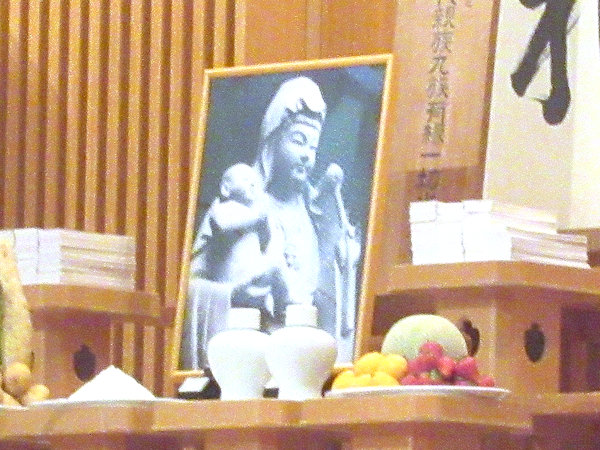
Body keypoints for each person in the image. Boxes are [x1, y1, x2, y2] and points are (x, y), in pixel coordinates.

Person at [180, 76, 360, 370]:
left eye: (313, 147)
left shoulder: (315, 214)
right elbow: (190, 290)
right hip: (247, 361)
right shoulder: (239, 205)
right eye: (298, 141)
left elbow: (328, 305)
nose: (307, 155)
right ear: (273, 140)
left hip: (304, 364)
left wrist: (344, 258)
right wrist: (232, 295)